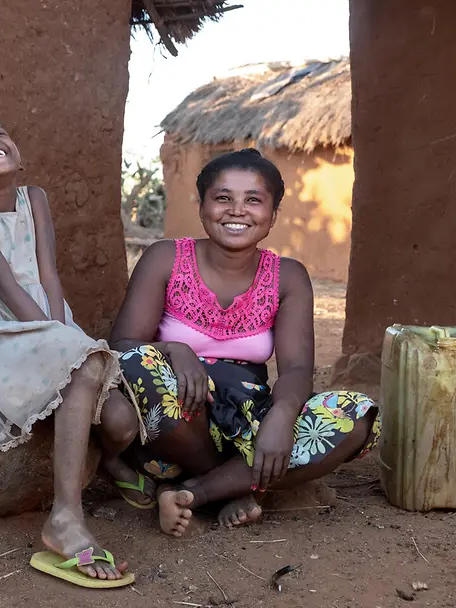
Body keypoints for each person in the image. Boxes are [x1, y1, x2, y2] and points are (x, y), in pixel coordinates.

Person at [109, 149, 381, 537]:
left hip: (251, 421)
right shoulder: (165, 258)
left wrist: (282, 419)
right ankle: (233, 487)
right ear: (202, 205)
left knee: (357, 415)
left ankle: (193, 493)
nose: (237, 210)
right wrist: (176, 351)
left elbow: (298, 369)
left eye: (253, 200)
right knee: (140, 364)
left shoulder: (288, 276)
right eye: (223, 198)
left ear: (272, 215)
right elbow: (121, 344)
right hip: (177, 429)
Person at [0, 106, 144, 583]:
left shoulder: (36, 198)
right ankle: (65, 519)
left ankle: (107, 462)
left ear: (17, 152)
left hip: (46, 322)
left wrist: (60, 334)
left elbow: (48, 275)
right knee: (86, 366)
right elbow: (4, 282)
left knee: (120, 422)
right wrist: (60, 346)